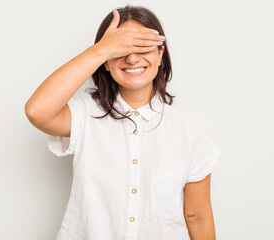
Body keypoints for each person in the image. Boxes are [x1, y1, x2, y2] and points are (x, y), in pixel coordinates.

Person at [25, 5, 221, 240]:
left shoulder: (192, 130)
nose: (131, 57)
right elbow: (37, 111)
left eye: (141, 46)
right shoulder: (85, 113)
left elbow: (198, 217)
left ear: (160, 53)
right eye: (121, 49)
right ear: (106, 62)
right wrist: (101, 50)